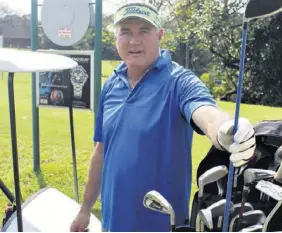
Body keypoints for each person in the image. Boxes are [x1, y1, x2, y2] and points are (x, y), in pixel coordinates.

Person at [70, 1, 256, 232]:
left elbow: (204, 111)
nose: (134, 41)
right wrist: (85, 209)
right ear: (116, 37)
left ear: (160, 35)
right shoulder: (111, 84)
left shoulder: (179, 81)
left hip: (163, 223)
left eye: (144, 31)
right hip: (113, 222)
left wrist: (225, 130)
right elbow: (101, 150)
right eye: (125, 32)